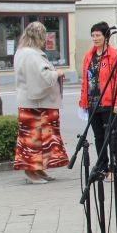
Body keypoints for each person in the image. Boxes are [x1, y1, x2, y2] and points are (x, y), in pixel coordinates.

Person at [13, 21, 69, 184]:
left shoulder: (22, 52)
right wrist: (56, 73)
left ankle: (37, 168)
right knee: (34, 139)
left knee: (35, 138)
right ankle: (31, 170)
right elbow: (41, 77)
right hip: (36, 105)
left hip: (31, 103)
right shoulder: (31, 54)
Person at [79, 22, 117, 180]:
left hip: (108, 103)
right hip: (93, 103)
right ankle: (103, 166)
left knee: (110, 135)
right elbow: (85, 80)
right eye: (92, 35)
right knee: (98, 137)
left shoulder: (114, 55)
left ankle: (113, 168)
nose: (95, 38)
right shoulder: (89, 56)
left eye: (98, 35)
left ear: (106, 36)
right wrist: (83, 101)